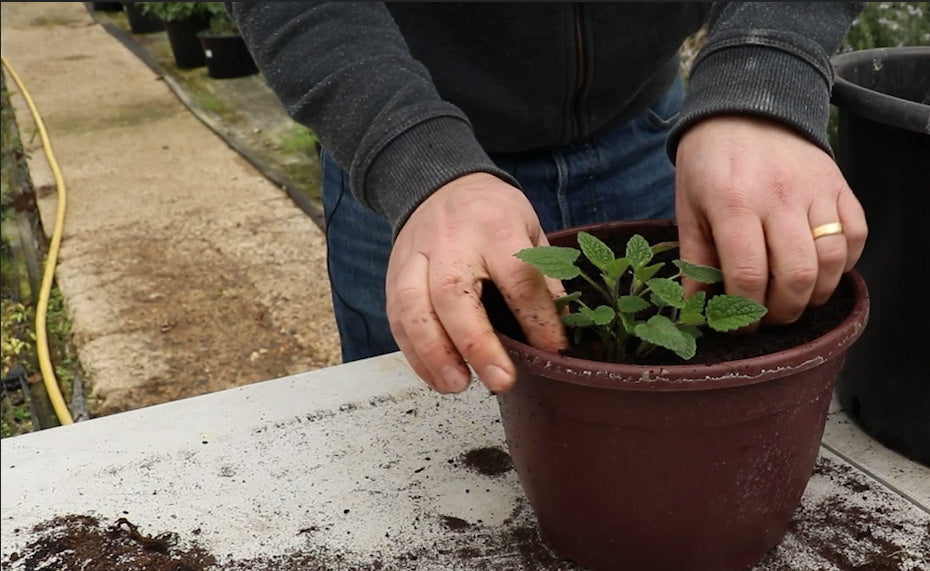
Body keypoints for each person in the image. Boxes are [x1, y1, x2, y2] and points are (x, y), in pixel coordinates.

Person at [229, 2, 868, 394]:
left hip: (648, 128)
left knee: (676, 371)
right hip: (411, 164)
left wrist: (765, 77)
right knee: (411, 434)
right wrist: (411, 155)